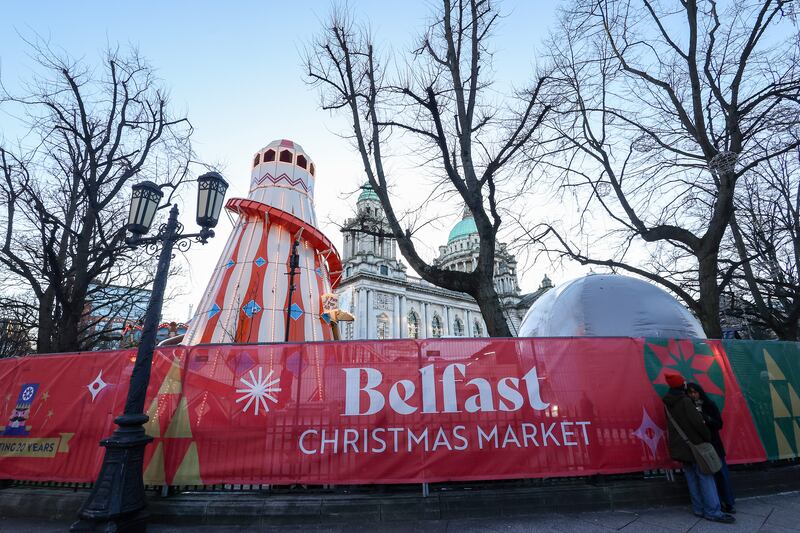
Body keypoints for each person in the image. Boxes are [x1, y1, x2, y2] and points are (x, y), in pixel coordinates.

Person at [662, 373, 735, 524]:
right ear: (682, 385)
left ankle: (698, 508)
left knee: (691, 477)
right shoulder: (685, 401)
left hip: (681, 447)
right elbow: (697, 423)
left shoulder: (668, 403)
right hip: (695, 445)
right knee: (705, 476)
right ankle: (713, 511)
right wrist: (706, 437)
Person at [687, 382, 736, 514]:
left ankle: (729, 502)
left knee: (722, 474)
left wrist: (706, 418)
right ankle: (717, 502)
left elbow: (719, 424)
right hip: (701, 447)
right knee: (709, 477)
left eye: (695, 392)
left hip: (714, 444)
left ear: (700, 392)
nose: (693, 395)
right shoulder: (689, 408)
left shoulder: (709, 405)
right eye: (690, 392)